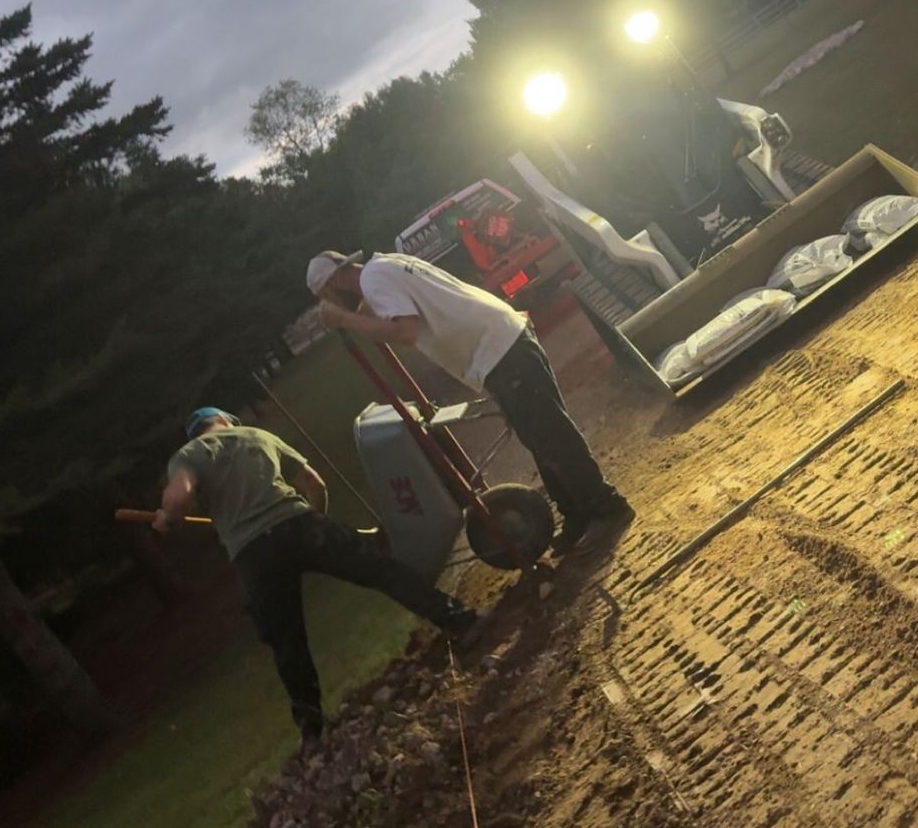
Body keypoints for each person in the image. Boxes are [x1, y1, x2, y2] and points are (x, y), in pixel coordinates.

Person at [155, 406, 481, 748]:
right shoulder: (257, 436)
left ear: (198, 433)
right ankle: (459, 620)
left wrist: (168, 519)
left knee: (287, 640)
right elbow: (314, 483)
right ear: (226, 422)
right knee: (379, 569)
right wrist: (316, 525)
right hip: (299, 525)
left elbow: (179, 496)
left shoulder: (188, 455)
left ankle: (312, 729)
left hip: (254, 555)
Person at [305, 249, 632, 552]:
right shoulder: (384, 266)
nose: (330, 304)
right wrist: (349, 313)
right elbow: (376, 310)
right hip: (501, 342)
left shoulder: (374, 279)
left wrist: (344, 320)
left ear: (334, 282)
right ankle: (576, 513)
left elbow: (404, 332)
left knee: (550, 435)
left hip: (500, 350)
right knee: (538, 437)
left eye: (327, 296)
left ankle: (607, 507)